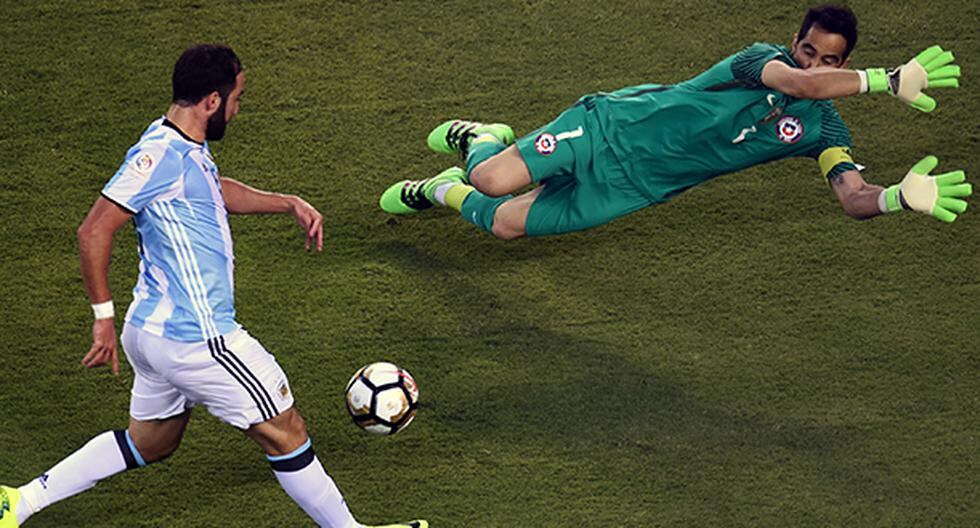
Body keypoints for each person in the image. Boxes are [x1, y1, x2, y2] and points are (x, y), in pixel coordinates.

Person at [0, 45, 426, 528]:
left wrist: (286, 203)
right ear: (211, 101)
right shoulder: (159, 155)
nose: (238, 109)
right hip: (199, 338)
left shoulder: (175, 143)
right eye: (236, 98)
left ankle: (20, 502)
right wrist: (101, 318)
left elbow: (211, 189)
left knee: (150, 442)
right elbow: (94, 230)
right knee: (286, 429)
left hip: (153, 334)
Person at [379, 5, 969, 240]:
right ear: (796, 43)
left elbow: (852, 197)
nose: (814, 63)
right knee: (494, 180)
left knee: (506, 225)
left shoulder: (824, 131)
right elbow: (801, 85)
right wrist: (886, 80)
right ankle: (479, 139)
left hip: (636, 186)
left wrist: (896, 197)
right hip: (609, 128)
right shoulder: (759, 61)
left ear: (843, 61)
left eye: (829, 59)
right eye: (808, 50)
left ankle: (439, 188)